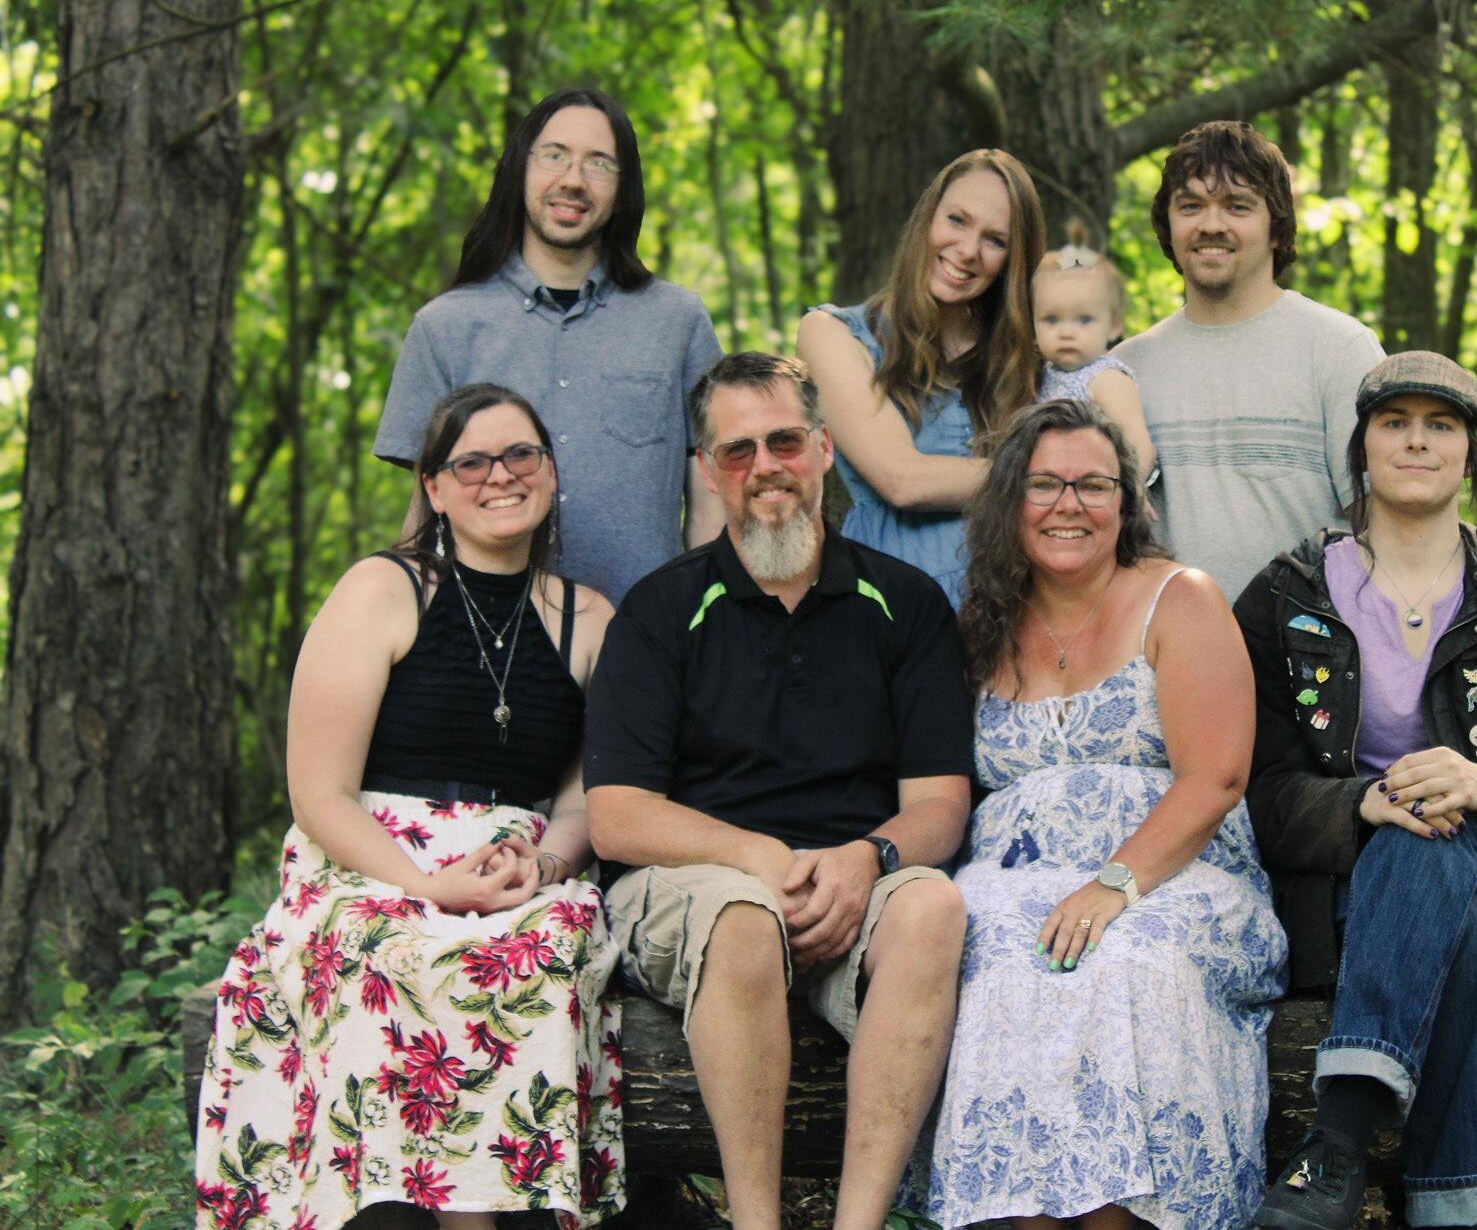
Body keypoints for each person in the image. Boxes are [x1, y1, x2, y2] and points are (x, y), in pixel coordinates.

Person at [195, 383, 624, 1230]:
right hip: (372, 860)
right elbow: (319, 793)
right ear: (433, 486)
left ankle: (509, 1208)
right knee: (391, 948)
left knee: (543, 946)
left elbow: (585, 802)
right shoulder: (383, 589)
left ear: (549, 472)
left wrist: (541, 864)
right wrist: (428, 886)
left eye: (520, 455)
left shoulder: (589, 619)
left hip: (516, 866)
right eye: (471, 461)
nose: (498, 476)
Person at [583, 352, 974, 1230]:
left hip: (852, 879)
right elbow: (616, 816)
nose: (765, 467)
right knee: (742, 915)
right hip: (697, 885)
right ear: (710, 472)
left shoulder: (903, 603)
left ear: (826, 449)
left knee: (933, 907)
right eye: (737, 450)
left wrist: (869, 857)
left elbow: (941, 802)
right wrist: (757, 857)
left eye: (785, 441)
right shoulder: (659, 609)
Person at [1235, 352, 1477, 1230]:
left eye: (1441, 425)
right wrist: (1360, 804)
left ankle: (1337, 1140)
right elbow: (1258, 789)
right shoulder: (1284, 593)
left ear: (1470, 453)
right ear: (1360, 445)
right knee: (1456, 919)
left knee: (1440, 845)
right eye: (1394, 421)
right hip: (1335, 899)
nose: (1416, 440)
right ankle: (1459, 1204)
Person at [928, 398, 1287, 1230]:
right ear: (1010, 500)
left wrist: (1113, 883)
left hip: (1174, 876)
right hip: (1009, 881)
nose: (1070, 504)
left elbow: (1216, 778)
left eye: (1094, 484)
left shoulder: (1179, 597)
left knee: (1127, 960)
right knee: (999, 955)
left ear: (1127, 503)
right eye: (1045, 484)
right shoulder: (979, 624)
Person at [376, 88, 725, 605]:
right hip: (491, 646)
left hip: (646, 642)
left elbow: (709, 501)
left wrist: (706, 623)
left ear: (623, 187)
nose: (572, 181)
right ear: (521, 169)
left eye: (599, 163)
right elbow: (424, 514)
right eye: (554, 156)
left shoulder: (678, 321)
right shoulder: (443, 326)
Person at [1116, 120, 1386, 604]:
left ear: (1277, 228)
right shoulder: (1122, 371)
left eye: (1238, 206)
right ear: (1168, 225)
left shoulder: (1340, 349)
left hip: (1308, 664)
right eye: (1191, 205)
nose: (1211, 224)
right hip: (1166, 663)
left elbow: (1390, 531)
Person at [796, 148, 1047, 605]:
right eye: (956, 220)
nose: (968, 250)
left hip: (1018, 616)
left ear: (1014, 259)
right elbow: (902, 479)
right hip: (893, 614)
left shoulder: (1025, 357)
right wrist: (1051, 480)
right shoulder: (835, 334)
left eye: (995, 240)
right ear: (927, 216)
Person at [1032, 223, 1155, 487]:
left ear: (1114, 325)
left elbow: (1138, 442)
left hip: (1094, 490)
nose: (1067, 332)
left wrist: (1130, 491)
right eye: (1051, 320)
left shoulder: (1105, 378)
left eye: (1084, 320)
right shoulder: (1040, 376)